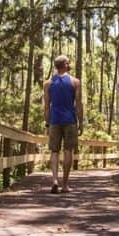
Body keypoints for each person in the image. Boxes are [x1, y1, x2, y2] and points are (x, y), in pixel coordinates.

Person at [43, 54, 83, 193]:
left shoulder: (48, 83)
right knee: (68, 151)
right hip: (70, 120)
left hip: (54, 120)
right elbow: (78, 104)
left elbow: (47, 106)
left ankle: (55, 180)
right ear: (65, 64)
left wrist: (47, 124)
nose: (70, 63)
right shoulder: (75, 82)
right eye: (68, 62)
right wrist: (81, 122)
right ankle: (64, 184)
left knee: (54, 151)